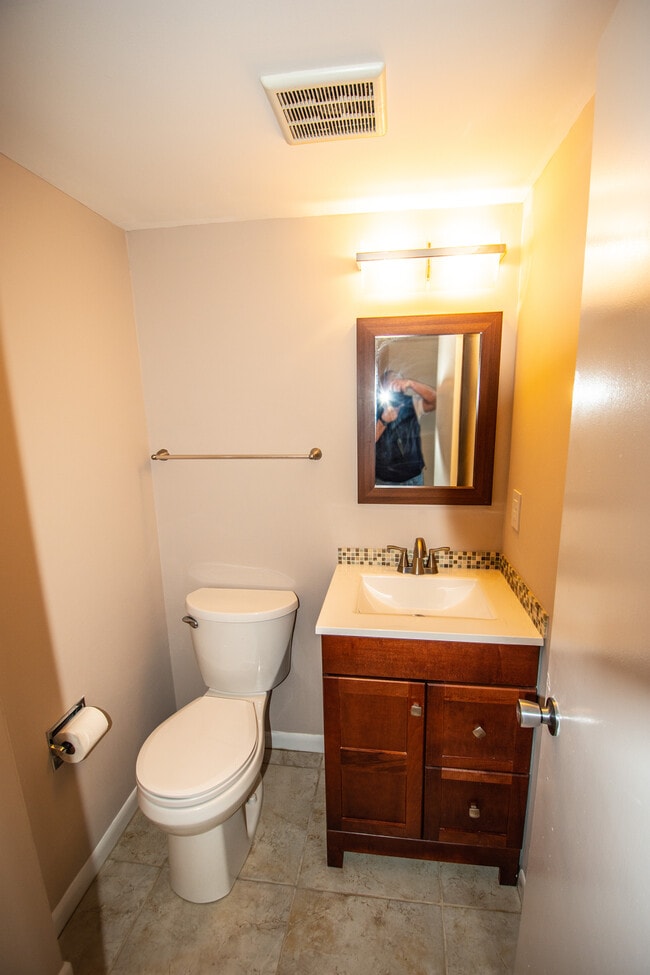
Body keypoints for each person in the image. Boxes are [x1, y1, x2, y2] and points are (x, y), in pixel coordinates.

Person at [375, 369, 437, 485]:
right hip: (385, 481)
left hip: (414, 478)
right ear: (381, 386)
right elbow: (366, 443)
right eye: (389, 383)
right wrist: (383, 421)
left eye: (397, 381)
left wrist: (412, 383)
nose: (394, 386)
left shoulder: (411, 403)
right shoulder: (373, 408)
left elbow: (434, 400)